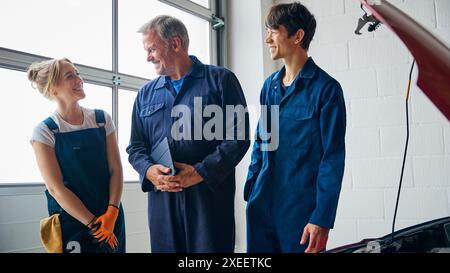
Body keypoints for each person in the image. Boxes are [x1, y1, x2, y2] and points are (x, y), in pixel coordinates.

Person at [127, 15, 250, 253]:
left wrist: (200, 172)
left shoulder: (221, 80)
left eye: (152, 49)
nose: (148, 57)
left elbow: (239, 137)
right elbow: (136, 147)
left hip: (208, 199)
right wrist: (149, 171)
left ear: (175, 44)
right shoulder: (145, 94)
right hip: (163, 202)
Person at [245, 2, 347, 253]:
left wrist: (322, 218)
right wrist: (251, 185)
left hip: (301, 212)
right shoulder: (269, 86)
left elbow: (332, 159)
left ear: (297, 36)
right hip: (262, 203)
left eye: (273, 31)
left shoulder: (326, 90)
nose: (267, 39)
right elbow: (262, 140)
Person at [28, 58, 126, 253]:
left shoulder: (101, 120)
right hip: (74, 222)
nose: (79, 79)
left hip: (110, 216)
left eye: (77, 73)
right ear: (53, 89)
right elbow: (56, 189)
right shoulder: (45, 131)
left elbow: (116, 169)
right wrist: (95, 225)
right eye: (70, 76)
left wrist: (112, 213)